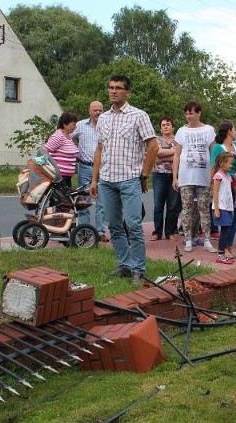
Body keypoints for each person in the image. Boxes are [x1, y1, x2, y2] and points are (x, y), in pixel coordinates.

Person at [90, 74, 159, 284]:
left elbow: (153, 146)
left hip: (130, 178)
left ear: (127, 92)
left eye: (118, 88)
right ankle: (125, 265)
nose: (113, 91)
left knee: (133, 224)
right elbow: (100, 149)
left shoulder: (139, 116)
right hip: (107, 179)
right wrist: (94, 179)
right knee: (114, 225)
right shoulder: (103, 118)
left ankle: (139, 269)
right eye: (110, 87)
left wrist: (144, 174)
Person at [172, 101, 217, 254]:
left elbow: (214, 153)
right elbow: (177, 155)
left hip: (204, 177)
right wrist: (174, 177)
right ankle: (189, 239)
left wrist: (213, 174)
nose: (188, 116)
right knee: (186, 209)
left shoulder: (209, 130)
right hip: (185, 177)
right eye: (186, 113)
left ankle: (207, 240)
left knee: (204, 209)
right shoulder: (181, 131)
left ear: (198, 113)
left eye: (191, 113)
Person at [72, 100, 108, 242]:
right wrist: (72, 151)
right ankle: (84, 231)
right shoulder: (80, 125)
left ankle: (100, 231)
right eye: (95, 110)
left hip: (104, 168)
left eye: (100, 110)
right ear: (89, 111)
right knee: (83, 200)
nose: (98, 113)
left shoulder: (107, 126)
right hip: (86, 167)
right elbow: (66, 137)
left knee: (102, 201)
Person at [210, 121, 236, 259]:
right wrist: (232, 175)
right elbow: (215, 167)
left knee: (234, 218)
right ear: (229, 131)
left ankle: (230, 247)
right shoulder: (218, 148)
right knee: (225, 220)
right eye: (235, 129)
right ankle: (223, 249)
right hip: (225, 185)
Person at [150, 115, 182, 242]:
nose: (166, 127)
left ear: (172, 127)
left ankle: (169, 232)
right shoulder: (156, 140)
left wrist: (164, 156)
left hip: (174, 176)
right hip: (159, 175)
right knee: (158, 205)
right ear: (160, 128)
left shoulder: (178, 140)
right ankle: (157, 232)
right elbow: (157, 155)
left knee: (173, 205)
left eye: (168, 124)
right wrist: (174, 153)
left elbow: (180, 155)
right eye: (163, 125)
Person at [211, 152, 236, 264]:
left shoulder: (227, 176)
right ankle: (221, 254)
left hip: (227, 207)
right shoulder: (218, 176)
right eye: (229, 163)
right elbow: (215, 192)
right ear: (222, 163)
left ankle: (222, 254)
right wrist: (216, 208)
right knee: (225, 231)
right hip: (221, 207)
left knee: (227, 231)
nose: (231, 165)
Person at [43, 112, 79, 188]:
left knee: (68, 199)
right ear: (65, 124)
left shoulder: (68, 136)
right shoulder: (58, 136)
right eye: (73, 124)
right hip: (59, 177)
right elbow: (44, 151)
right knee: (62, 199)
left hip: (67, 177)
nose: (75, 127)